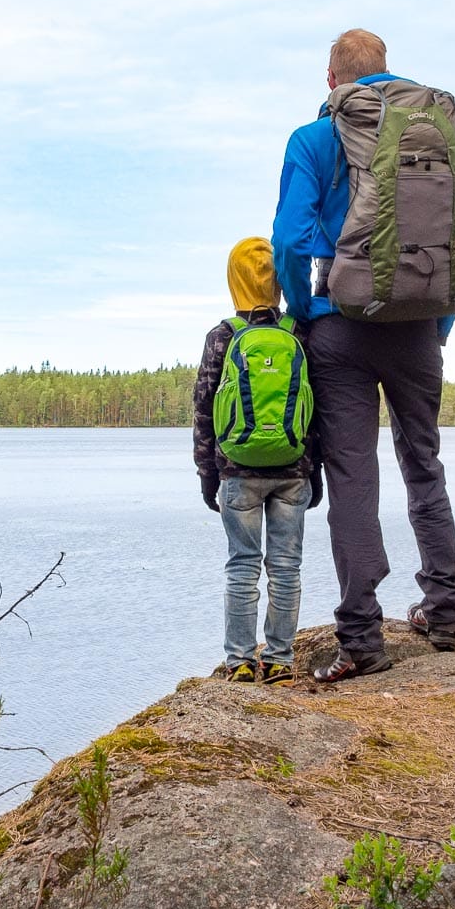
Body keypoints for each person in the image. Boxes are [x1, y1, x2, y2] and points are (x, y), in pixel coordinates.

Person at [271, 29, 455, 683]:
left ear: (333, 81)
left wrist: (305, 310)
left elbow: (292, 242)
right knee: (424, 462)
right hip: (416, 324)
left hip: (340, 327)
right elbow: (452, 235)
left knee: (355, 475)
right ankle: (443, 610)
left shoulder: (315, 137)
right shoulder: (430, 129)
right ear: (387, 71)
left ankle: (361, 638)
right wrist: (434, 326)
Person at [193, 237, 322, 684]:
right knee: (286, 567)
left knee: (242, 566)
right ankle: (281, 661)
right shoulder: (295, 333)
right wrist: (314, 469)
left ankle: (241, 661)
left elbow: (204, 413)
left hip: (237, 473)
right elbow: (315, 408)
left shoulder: (222, 336)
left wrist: (207, 475)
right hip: (292, 471)